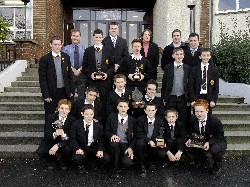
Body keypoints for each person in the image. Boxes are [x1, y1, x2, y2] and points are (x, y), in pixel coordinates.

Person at [38, 36, 74, 125]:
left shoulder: (66, 57)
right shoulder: (44, 59)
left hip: (64, 91)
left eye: (59, 44)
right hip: (51, 93)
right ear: (51, 45)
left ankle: (64, 135)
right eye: (55, 44)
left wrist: (72, 91)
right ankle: (48, 137)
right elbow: (42, 79)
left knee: (65, 115)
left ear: (61, 45)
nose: (57, 46)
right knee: (50, 115)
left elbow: (70, 75)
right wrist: (46, 94)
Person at [185, 99, 227, 175]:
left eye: (201, 111)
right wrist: (190, 139)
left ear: (207, 110)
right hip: (202, 139)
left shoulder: (215, 120)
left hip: (216, 140)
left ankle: (218, 166)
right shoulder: (192, 119)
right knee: (189, 145)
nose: (199, 114)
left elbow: (219, 135)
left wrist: (209, 142)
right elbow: (190, 131)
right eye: (196, 111)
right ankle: (202, 161)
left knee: (215, 150)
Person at [70, 104, 110, 173]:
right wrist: (77, 148)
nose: (89, 116)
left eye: (91, 114)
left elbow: (101, 139)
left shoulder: (98, 125)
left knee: (106, 158)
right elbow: (72, 138)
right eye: (87, 114)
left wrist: (100, 149)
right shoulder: (76, 124)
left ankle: (95, 163)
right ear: (82, 114)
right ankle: (81, 165)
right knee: (77, 157)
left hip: (93, 146)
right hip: (81, 146)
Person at [36, 99, 75, 170]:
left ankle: (63, 161)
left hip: (64, 142)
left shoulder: (72, 120)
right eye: (62, 108)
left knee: (69, 150)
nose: (64, 111)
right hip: (51, 140)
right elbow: (46, 134)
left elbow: (71, 137)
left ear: (69, 111)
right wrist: (55, 134)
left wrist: (58, 144)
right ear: (58, 108)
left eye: (66, 109)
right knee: (40, 151)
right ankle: (52, 160)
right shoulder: (51, 117)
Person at [105, 98, 137, 178]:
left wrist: (131, 148)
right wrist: (112, 135)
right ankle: (115, 169)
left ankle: (119, 159)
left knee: (127, 163)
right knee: (114, 144)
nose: (123, 108)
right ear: (117, 107)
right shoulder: (111, 117)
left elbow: (136, 136)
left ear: (128, 108)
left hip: (126, 144)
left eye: (125, 106)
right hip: (115, 143)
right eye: (121, 106)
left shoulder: (133, 120)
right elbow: (106, 131)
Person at [83, 29, 113, 107]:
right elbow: (84, 67)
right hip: (92, 82)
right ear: (93, 37)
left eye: (100, 37)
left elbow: (112, 66)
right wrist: (91, 74)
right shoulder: (88, 51)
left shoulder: (108, 50)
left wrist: (106, 74)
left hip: (105, 82)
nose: (98, 39)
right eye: (96, 37)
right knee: (92, 102)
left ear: (102, 38)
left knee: (105, 102)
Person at [161, 47, 190, 125]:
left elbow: (189, 84)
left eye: (181, 54)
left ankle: (181, 135)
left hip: (183, 97)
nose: (179, 56)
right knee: (169, 117)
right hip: (171, 97)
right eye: (177, 54)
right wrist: (164, 97)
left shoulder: (187, 68)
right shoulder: (168, 67)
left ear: (183, 56)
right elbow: (164, 84)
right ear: (173, 56)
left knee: (182, 118)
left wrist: (189, 98)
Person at [136, 103, 166, 177]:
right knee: (140, 143)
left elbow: (162, 134)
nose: (151, 112)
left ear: (156, 111)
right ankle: (143, 165)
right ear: (145, 111)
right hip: (145, 141)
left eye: (153, 110)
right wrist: (149, 140)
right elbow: (139, 133)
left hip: (155, 141)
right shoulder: (140, 119)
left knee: (162, 153)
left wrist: (161, 142)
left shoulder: (160, 120)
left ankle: (152, 161)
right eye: (148, 110)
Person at [189, 48, 219, 114]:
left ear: (210, 56)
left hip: (208, 97)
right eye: (204, 55)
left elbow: (216, 87)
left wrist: (213, 100)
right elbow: (191, 86)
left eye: (208, 55)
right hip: (197, 97)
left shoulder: (214, 70)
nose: (206, 57)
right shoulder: (194, 69)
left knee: (208, 117)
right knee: (197, 116)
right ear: (200, 57)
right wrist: (192, 99)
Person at [62, 29, 86, 100]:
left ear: (80, 37)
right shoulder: (65, 49)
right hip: (70, 74)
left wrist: (79, 70)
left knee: (82, 96)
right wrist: (73, 70)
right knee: (70, 96)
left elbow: (86, 62)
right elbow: (64, 62)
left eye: (77, 36)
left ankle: (80, 110)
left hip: (81, 74)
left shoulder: (85, 49)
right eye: (74, 36)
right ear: (71, 37)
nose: (75, 38)